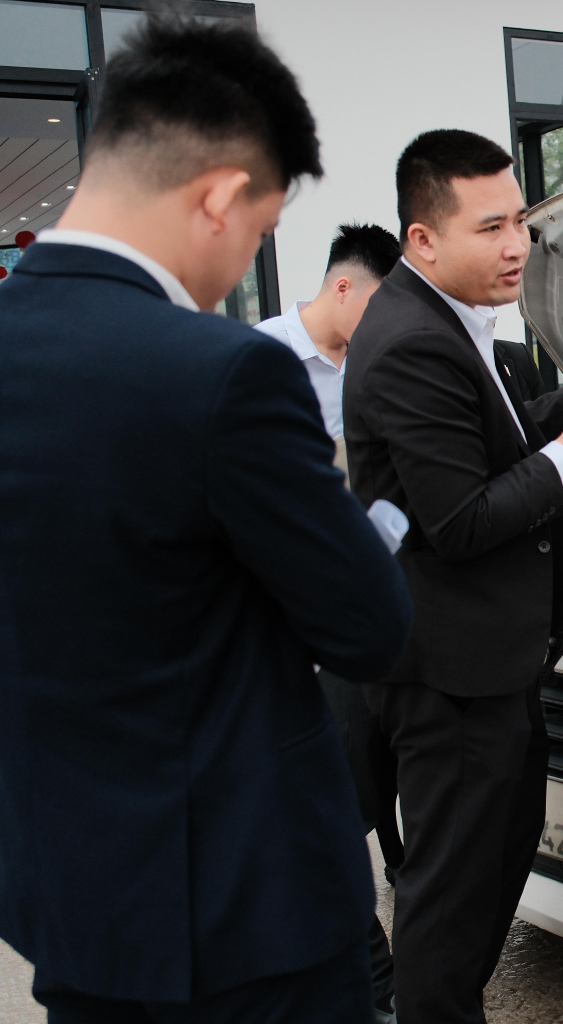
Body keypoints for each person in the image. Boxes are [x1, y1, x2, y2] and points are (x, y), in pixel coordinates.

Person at [0, 16, 413, 1022]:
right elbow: (368, 624)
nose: (246, 258)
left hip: (70, 907)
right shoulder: (223, 374)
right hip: (248, 915)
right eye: (262, 231)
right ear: (222, 198)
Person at [344, 129, 563, 1024]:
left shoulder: (447, 320)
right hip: (450, 680)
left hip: (488, 667)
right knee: (449, 907)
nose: (517, 246)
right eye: (490, 228)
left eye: (519, 222)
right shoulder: (411, 342)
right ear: (424, 238)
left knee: (486, 876)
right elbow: (461, 520)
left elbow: (485, 445)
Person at [258, 222, 405, 1022]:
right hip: (293, 634)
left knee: (374, 791)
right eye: (379, 305)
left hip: (365, 614)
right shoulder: (261, 361)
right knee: (330, 814)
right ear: (342, 287)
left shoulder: (371, 366)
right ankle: (372, 986)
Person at [257, 223, 402, 470]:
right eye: (378, 306)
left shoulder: (379, 354)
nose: (384, 319)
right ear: (343, 289)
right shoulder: (263, 351)